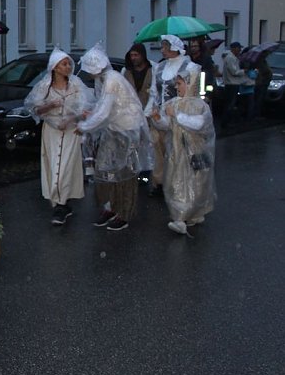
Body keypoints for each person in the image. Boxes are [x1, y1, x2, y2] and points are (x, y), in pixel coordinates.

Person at [77, 44, 151, 232]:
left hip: (126, 130)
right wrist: (91, 115)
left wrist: (84, 126)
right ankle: (110, 206)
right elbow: (102, 107)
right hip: (114, 129)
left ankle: (124, 212)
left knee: (124, 174)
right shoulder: (104, 79)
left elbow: (104, 112)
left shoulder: (111, 80)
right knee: (106, 170)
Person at [24, 47, 94, 225]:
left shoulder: (76, 85)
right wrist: (50, 105)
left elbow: (85, 108)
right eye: (64, 64)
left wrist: (72, 119)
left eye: (69, 64)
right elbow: (34, 109)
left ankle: (61, 205)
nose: (68, 67)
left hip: (70, 132)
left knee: (66, 167)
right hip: (51, 132)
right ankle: (60, 203)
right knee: (53, 164)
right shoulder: (44, 87)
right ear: (55, 67)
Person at [149, 67, 216, 235]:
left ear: (190, 83)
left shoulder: (200, 105)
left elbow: (199, 124)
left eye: (179, 83)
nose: (176, 87)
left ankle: (195, 212)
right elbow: (167, 125)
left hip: (195, 151)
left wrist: (177, 115)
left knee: (197, 183)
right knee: (176, 182)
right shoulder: (174, 103)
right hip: (176, 151)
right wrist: (157, 118)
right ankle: (179, 217)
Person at [146, 35, 194, 197]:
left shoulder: (189, 66)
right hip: (159, 115)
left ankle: (177, 184)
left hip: (177, 116)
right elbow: (154, 92)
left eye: (165, 47)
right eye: (162, 47)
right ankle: (159, 183)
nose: (162, 50)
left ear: (175, 48)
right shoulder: (160, 67)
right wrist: (149, 111)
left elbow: (191, 94)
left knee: (177, 152)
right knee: (158, 151)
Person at [221, 41, 251, 129]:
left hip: (233, 83)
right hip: (231, 84)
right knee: (230, 104)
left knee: (230, 103)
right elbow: (234, 72)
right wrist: (244, 71)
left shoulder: (233, 58)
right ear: (234, 49)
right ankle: (225, 123)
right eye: (239, 48)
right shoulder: (230, 58)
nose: (240, 50)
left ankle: (227, 122)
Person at [122, 43, 153, 109]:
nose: (133, 58)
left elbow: (154, 94)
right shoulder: (126, 71)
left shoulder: (152, 70)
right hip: (130, 110)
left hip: (148, 110)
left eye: (136, 55)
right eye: (131, 55)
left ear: (143, 55)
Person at [249, 54, 272, 121]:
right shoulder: (259, 62)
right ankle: (255, 115)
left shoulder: (263, 61)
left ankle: (256, 114)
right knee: (258, 99)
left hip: (263, 83)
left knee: (259, 99)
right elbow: (262, 71)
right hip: (260, 83)